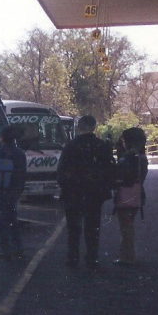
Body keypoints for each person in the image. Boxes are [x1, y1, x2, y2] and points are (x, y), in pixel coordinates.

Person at [57, 115, 115, 268]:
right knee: (92, 227)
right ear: (94, 127)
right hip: (94, 194)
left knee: (73, 228)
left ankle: (73, 258)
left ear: (79, 127)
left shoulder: (71, 146)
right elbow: (110, 171)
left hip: (73, 193)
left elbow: (61, 171)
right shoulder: (101, 146)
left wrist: (66, 187)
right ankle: (92, 258)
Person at [0, 125, 27, 260]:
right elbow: (22, 174)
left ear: (1, 138)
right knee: (12, 218)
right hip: (13, 191)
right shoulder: (20, 154)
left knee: (0, 220)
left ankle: (4, 248)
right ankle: (18, 247)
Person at [112, 127, 148, 266]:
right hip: (138, 193)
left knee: (125, 227)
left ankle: (127, 256)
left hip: (126, 194)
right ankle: (125, 254)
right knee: (128, 225)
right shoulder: (142, 157)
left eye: (123, 140)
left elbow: (121, 177)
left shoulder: (128, 157)